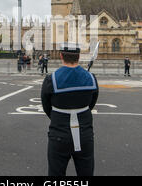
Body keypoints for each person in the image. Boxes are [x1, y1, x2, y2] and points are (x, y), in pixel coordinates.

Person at [41, 43, 99, 176]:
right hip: (85, 133)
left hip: (59, 133)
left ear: (61, 56)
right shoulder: (91, 78)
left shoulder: (51, 79)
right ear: (78, 57)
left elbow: (46, 107)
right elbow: (91, 104)